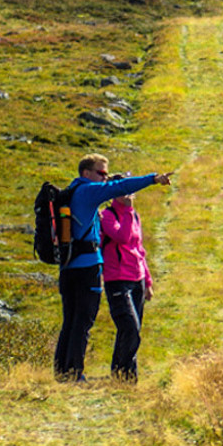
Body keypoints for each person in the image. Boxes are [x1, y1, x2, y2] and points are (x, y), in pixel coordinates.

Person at [53, 153, 170, 382]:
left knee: (70, 319)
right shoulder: (88, 191)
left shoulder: (72, 191)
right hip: (87, 267)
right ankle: (74, 373)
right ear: (86, 173)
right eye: (101, 173)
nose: (105, 179)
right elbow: (122, 186)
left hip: (68, 266)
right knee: (83, 321)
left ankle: (62, 372)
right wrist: (153, 179)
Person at [100, 179, 153, 381]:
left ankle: (126, 377)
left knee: (132, 329)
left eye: (131, 191)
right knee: (129, 328)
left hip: (137, 278)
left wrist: (147, 281)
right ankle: (121, 373)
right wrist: (129, 212)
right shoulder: (108, 215)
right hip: (117, 278)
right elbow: (122, 237)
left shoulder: (135, 217)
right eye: (124, 191)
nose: (128, 195)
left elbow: (139, 249)